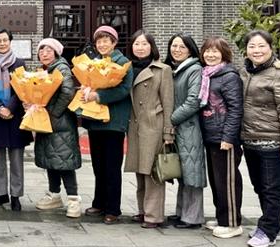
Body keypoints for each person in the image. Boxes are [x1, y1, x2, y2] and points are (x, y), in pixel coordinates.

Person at [241, 29, 280, 247]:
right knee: (259, 186)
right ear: (246, 50)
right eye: (252, 46)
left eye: (261, 46)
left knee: (272, 188)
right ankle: (275, 225)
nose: (257, 50)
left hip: (272, 140)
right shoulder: (247, 72)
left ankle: (267, 231)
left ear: (270, 48)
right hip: (250, 139)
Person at [81, 25, 133, 225]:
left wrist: (98, 96)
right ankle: (99, 202)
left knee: (111, 166)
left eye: (106, 41)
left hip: (114, 121)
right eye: (99, 41)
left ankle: (112, 208)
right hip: (95, 121)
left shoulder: (123, 63)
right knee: (98, 164)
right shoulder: (94, 62)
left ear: (114, 42)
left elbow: (124, 90)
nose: (102, 44)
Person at [124, 29, 174, 229]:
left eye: (144, 44)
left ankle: (154, 216)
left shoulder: (162, 70)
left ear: (151, 47)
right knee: (140, 170)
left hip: (153, 125)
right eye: (136, 43)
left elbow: (168, 102)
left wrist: (168, 132)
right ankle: (143, 210)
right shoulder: (127, 68)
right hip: (135, 125)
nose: (140, 47)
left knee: (153, 173)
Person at [0, 28, 31, 211]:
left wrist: (9, 107)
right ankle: (1, 194)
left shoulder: (19, 63)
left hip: (15, 115)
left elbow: (22, 88)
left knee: (16, 158)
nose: (2, 43)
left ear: (10, 41)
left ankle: (16, 195)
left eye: (5, 40)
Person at [199, 36, 244, 239]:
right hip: (211, 135)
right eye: (207, 51)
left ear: (224, 54)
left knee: (228, 181)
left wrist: (228, 137)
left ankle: (232, 223)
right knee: (217, 180)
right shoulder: (208, 74)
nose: (210, 55)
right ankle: (221, 217)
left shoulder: (229, 76)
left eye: (215, 51)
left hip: (224, 138)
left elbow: (235, 109)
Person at [32, 37, 82, 218]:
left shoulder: (61, 68)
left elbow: (68, 92)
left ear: (56, 53)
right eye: (41, 50)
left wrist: (53, 113)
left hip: (61, 124)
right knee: (51, 158)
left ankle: (74, 199)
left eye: (48, 50)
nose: (44, 54)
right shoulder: (45, 70)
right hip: (48, 121)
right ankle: (54, 195)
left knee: (64, 160)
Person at [164, 33, 206, 229]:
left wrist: (170, 120)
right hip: (179, 128)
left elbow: (193, 101)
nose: (177, 50)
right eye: (174, 46)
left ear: (190, 50)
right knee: (183, 172)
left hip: (189, 128)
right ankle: (182, 212)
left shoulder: (194, 69)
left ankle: (193, 217)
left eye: (182, 47)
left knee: (192, 172)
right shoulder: (176, 69)